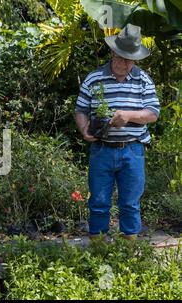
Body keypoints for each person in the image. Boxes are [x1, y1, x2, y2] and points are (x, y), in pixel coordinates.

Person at [75, 24, 160, 240]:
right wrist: (84, 129)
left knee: (130, 203)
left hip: (133, 149)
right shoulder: (94, 78)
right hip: (101, 149)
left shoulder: (143, 80)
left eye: (130, 59)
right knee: (99, 202)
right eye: (121, 58)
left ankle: (128, 256)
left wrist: (129, 116)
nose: (125, 63)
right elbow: (81, 109)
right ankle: (98, 252)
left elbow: (152, 113)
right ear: (113, 53)